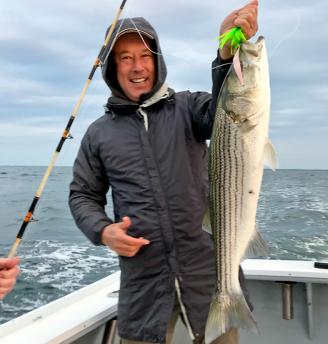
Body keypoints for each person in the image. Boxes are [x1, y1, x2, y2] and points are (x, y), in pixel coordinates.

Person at [69, 1, 259, 343]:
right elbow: (82, 195)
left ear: (157, 60)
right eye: (125, 57)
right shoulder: (99, 134)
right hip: (144, 285)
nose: (137, 66)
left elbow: (227, 111)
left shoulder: (189, 107)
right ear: (113, 66)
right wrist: (103, 231)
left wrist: (226, 57)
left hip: (208, 274)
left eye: (144, 55)